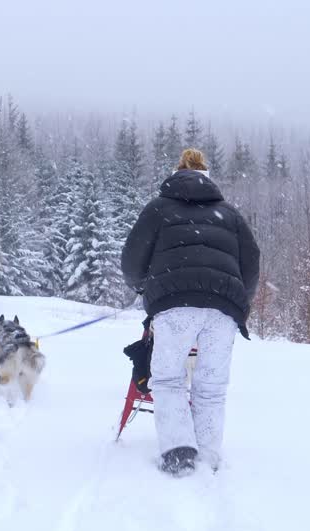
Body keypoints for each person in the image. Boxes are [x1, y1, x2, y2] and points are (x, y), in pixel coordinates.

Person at [120, 148, 260, 476]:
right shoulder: (229, 214)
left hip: (174, 304)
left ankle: (179, 454)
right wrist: (240, 300)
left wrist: (143, 287)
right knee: (211, 387)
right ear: (207, 175)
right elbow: (250, 265)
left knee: (168, 379)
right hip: (224, 307)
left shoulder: (158, 210)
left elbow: (132, 260)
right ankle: (208, 457)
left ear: (177, 173)